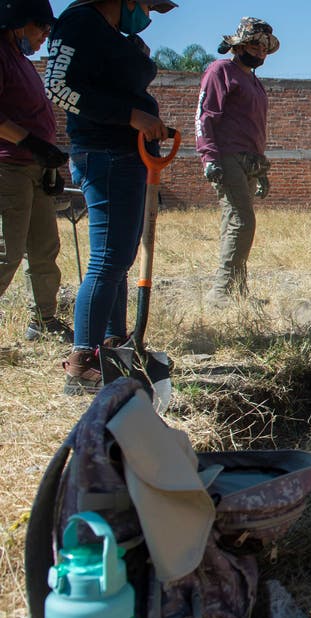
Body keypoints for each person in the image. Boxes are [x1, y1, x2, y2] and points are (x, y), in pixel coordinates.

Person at [44, 0, 177, 394]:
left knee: (120, 256)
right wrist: (132, 116)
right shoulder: (79, 22)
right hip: (106, 155)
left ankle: (113, 346)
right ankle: (82, 360)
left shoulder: (108, 32)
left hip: (126, 154)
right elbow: (57, 87)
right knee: (107, 259)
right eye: (146, 3)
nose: (148, 14)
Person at [0, 0, 73, 343]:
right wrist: (31, 142)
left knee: (44, 248)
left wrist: (47, 159)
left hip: (35, 167)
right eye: (41, 28)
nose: (45, 35)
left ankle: (43, 320)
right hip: (8, 167)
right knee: (6, 252)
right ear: (18, 22)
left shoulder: (24, 62)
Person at [196, 17, 278, 303]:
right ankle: (221, 292)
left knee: (235, 223)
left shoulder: (254, 81)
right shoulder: (221, 70)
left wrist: (262, 168)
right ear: (239, 43)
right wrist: (209, 156)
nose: (260, 52)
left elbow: (255, 127)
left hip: (250, 160)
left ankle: (237, 291)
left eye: (265, 49)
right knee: (242, 221)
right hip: (227, 156)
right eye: (255, 45)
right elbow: (205, 115)